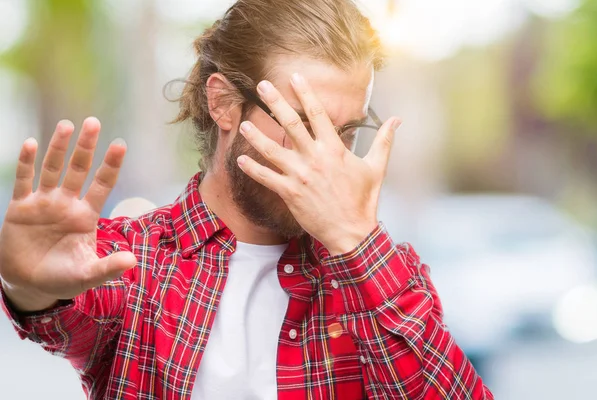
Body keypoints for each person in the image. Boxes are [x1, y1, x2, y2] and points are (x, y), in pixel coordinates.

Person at [0, 0, 493, 399]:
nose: (325, 156)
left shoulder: (386, 274)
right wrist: (29, 287)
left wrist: (355, 243)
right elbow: (64, 309)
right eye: (301, 123)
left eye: (345, 131)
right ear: (223, 104)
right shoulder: (135, 260)